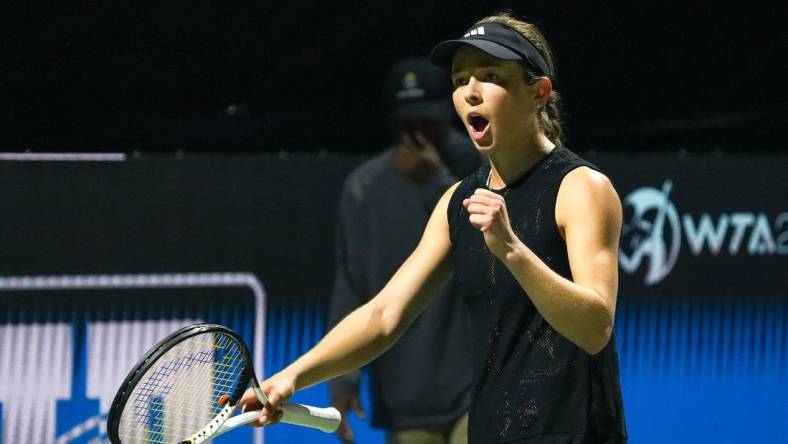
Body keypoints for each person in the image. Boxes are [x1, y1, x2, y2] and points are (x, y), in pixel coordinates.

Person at [241, 12, 627, 443]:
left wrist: (512, 251)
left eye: (490, 76)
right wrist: (291, 377)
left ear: (538, 92)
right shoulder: (457, 203)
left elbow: (596, 328)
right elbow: (384, 315)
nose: (471, 93)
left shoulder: (581, 189)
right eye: (460, 81)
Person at [327, 57, 480, 444]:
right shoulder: (364, 188)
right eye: (407, 123)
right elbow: (352, 286)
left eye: (427, 121)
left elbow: (494, 250)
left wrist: (437, 184)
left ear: (448, 113)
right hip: (406, 394)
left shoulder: (485, 166)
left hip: (481, 387)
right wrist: (343, 379)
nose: (418, 133)